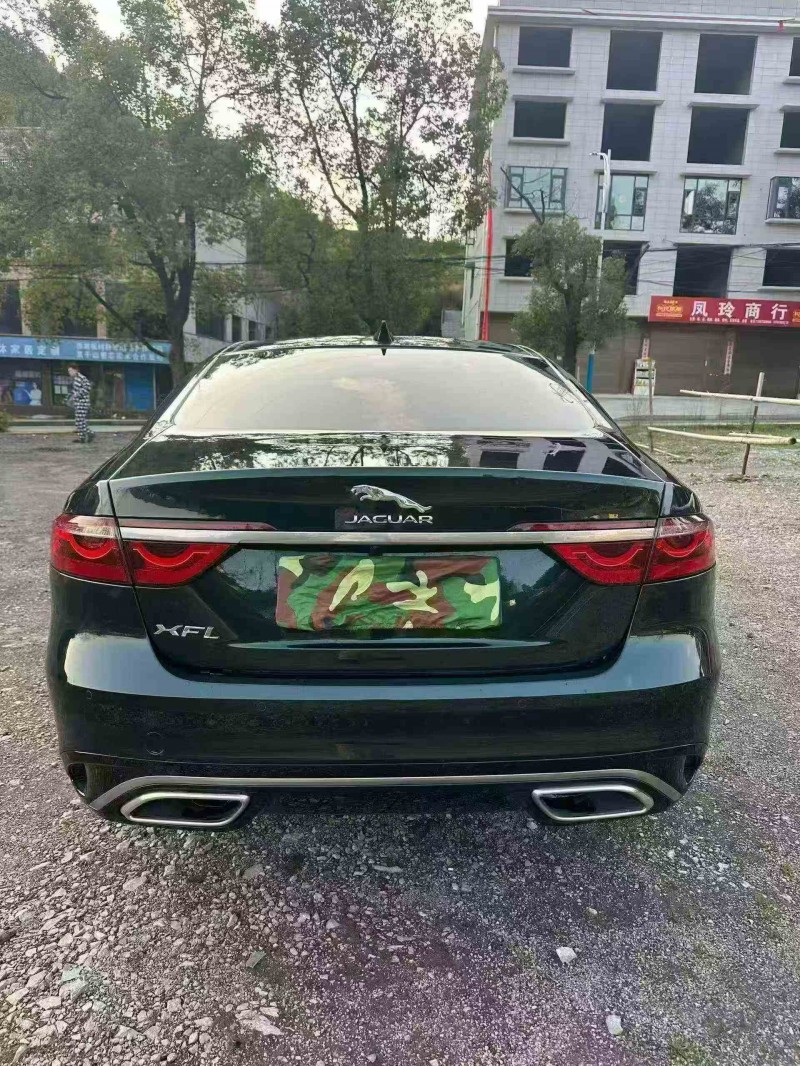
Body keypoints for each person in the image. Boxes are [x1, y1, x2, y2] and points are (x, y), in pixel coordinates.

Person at [66, 365, 94, 443]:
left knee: (80, 421)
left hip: (83, 402)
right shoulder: (75, 379)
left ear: (76, 370)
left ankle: (89, 433)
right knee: (79, 421)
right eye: (69, 371)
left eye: (71, 371)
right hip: (78, 402)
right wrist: (68, 398)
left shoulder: (82, 378)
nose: (70, 373)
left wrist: (77, 395)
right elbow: (74, 390)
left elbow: (87, 388)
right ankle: (83, 437)